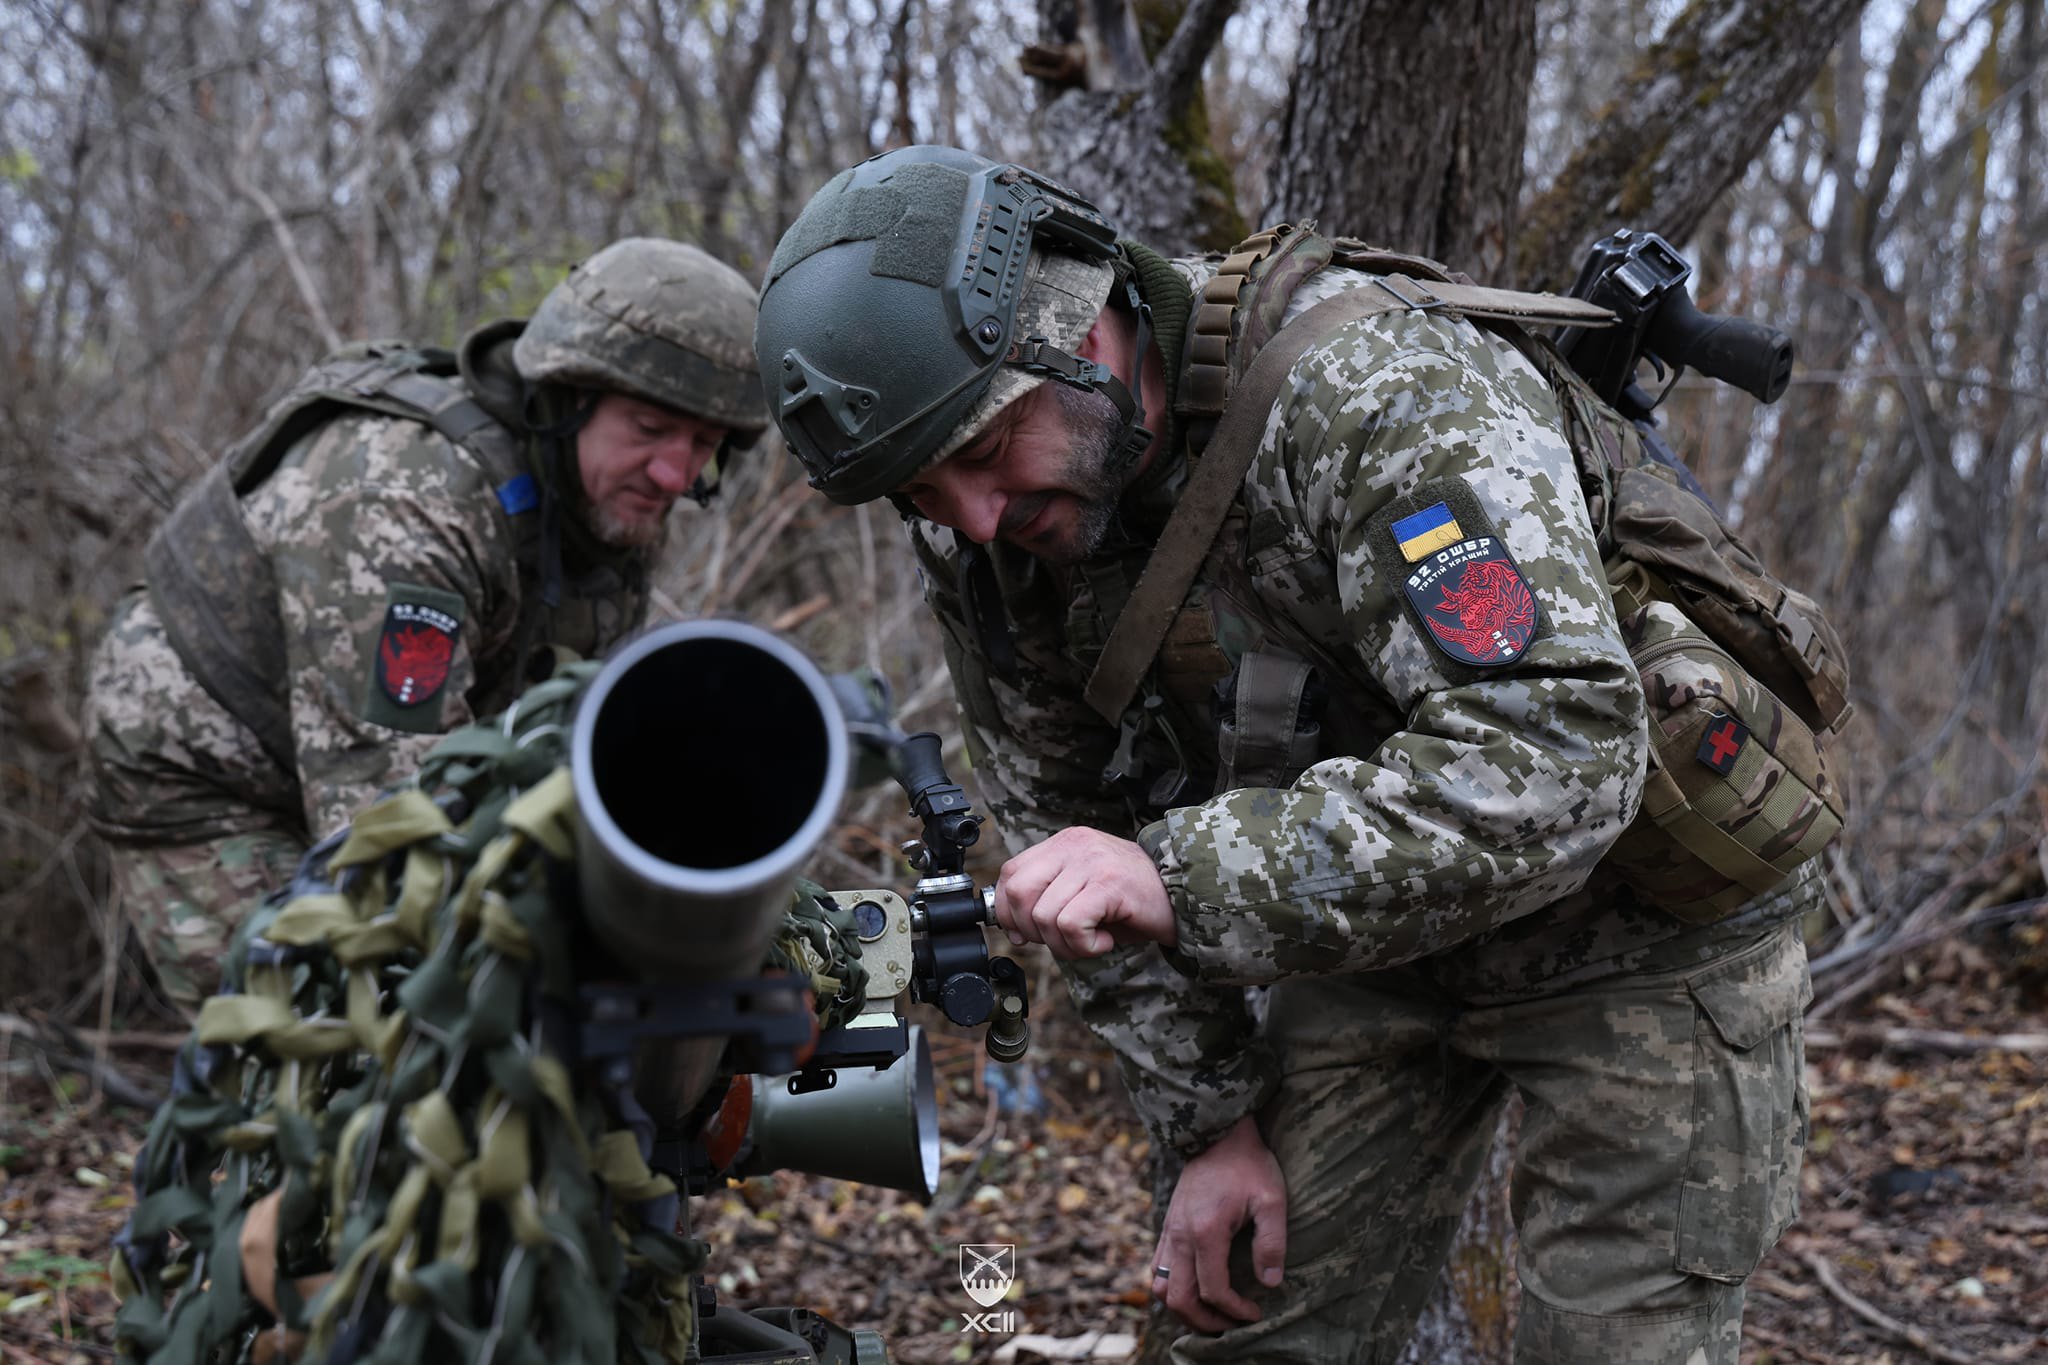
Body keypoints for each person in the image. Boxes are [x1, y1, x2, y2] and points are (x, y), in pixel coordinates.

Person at [753, 146, 1815, 1362]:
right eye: (921, 495)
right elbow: (1058, 833)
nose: (978, 520)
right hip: (1375, 947)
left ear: (1081, 332)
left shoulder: (1373, 391)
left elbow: (1559, 756)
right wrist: (1207, 1122)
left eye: (988, 455)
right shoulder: (984, 536)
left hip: (1647, 925)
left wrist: (1181, 879)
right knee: (1242, 1330)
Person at [86, 238, 767, 1009]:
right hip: (205, 772)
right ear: (569, 393)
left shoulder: (610, 504)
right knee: (324, 1039)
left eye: (703, 444)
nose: (675, 474)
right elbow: (385, 826)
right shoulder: (407, 501)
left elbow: (565, 746)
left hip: (358, 761)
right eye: (648, 428)